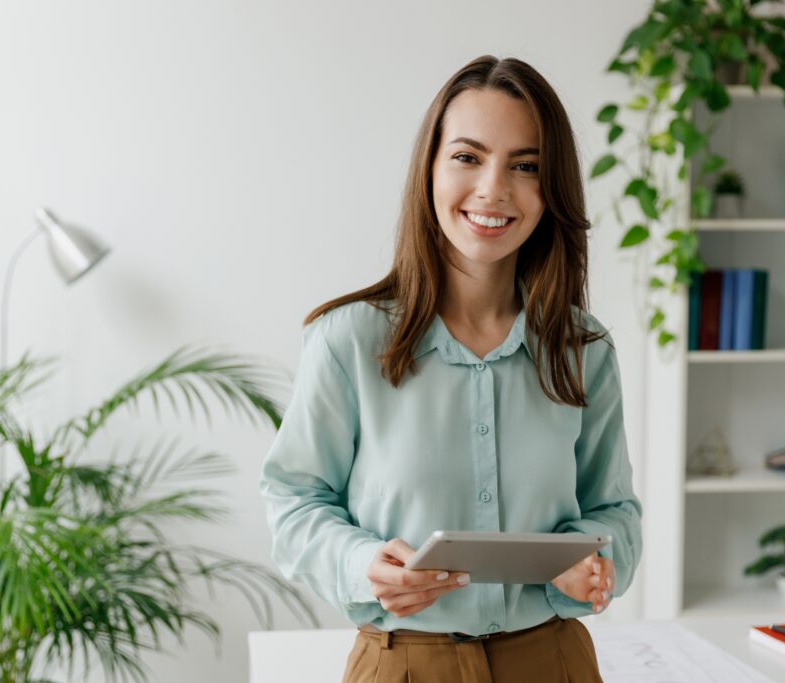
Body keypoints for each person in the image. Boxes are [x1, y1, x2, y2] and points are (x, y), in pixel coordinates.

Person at [259, 54, 642, 683]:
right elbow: (295, 500)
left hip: (554, 661)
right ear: (430, 169)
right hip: (402, 662)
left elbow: (615, 510)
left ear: (552, 189)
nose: (494, 189)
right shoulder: (346, 341)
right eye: (468, 157)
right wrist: (361, 565)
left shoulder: (584, 349)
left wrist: (596, 565)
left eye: (525, 166)